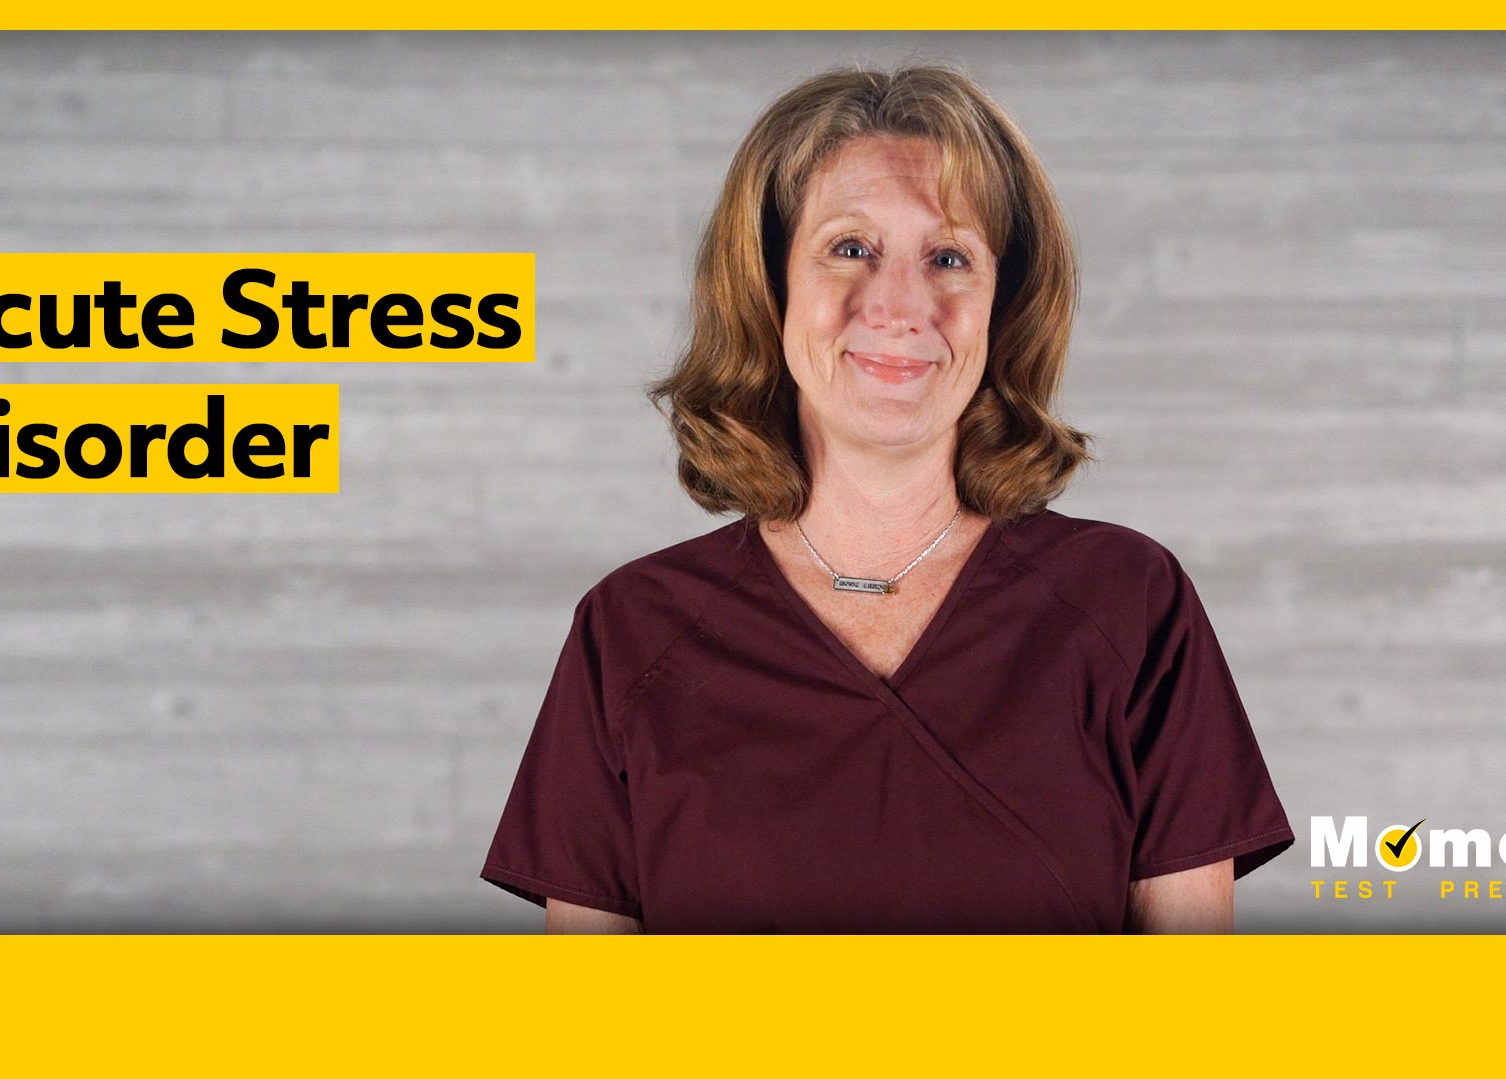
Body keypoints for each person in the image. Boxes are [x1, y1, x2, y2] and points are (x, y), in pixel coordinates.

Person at [481, 64, 1292, 933]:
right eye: (850, 248)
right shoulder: (630, 634)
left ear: (1000, 306)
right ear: (769, 286)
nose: (900, 306)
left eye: (948, 257)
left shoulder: (1129, 605)